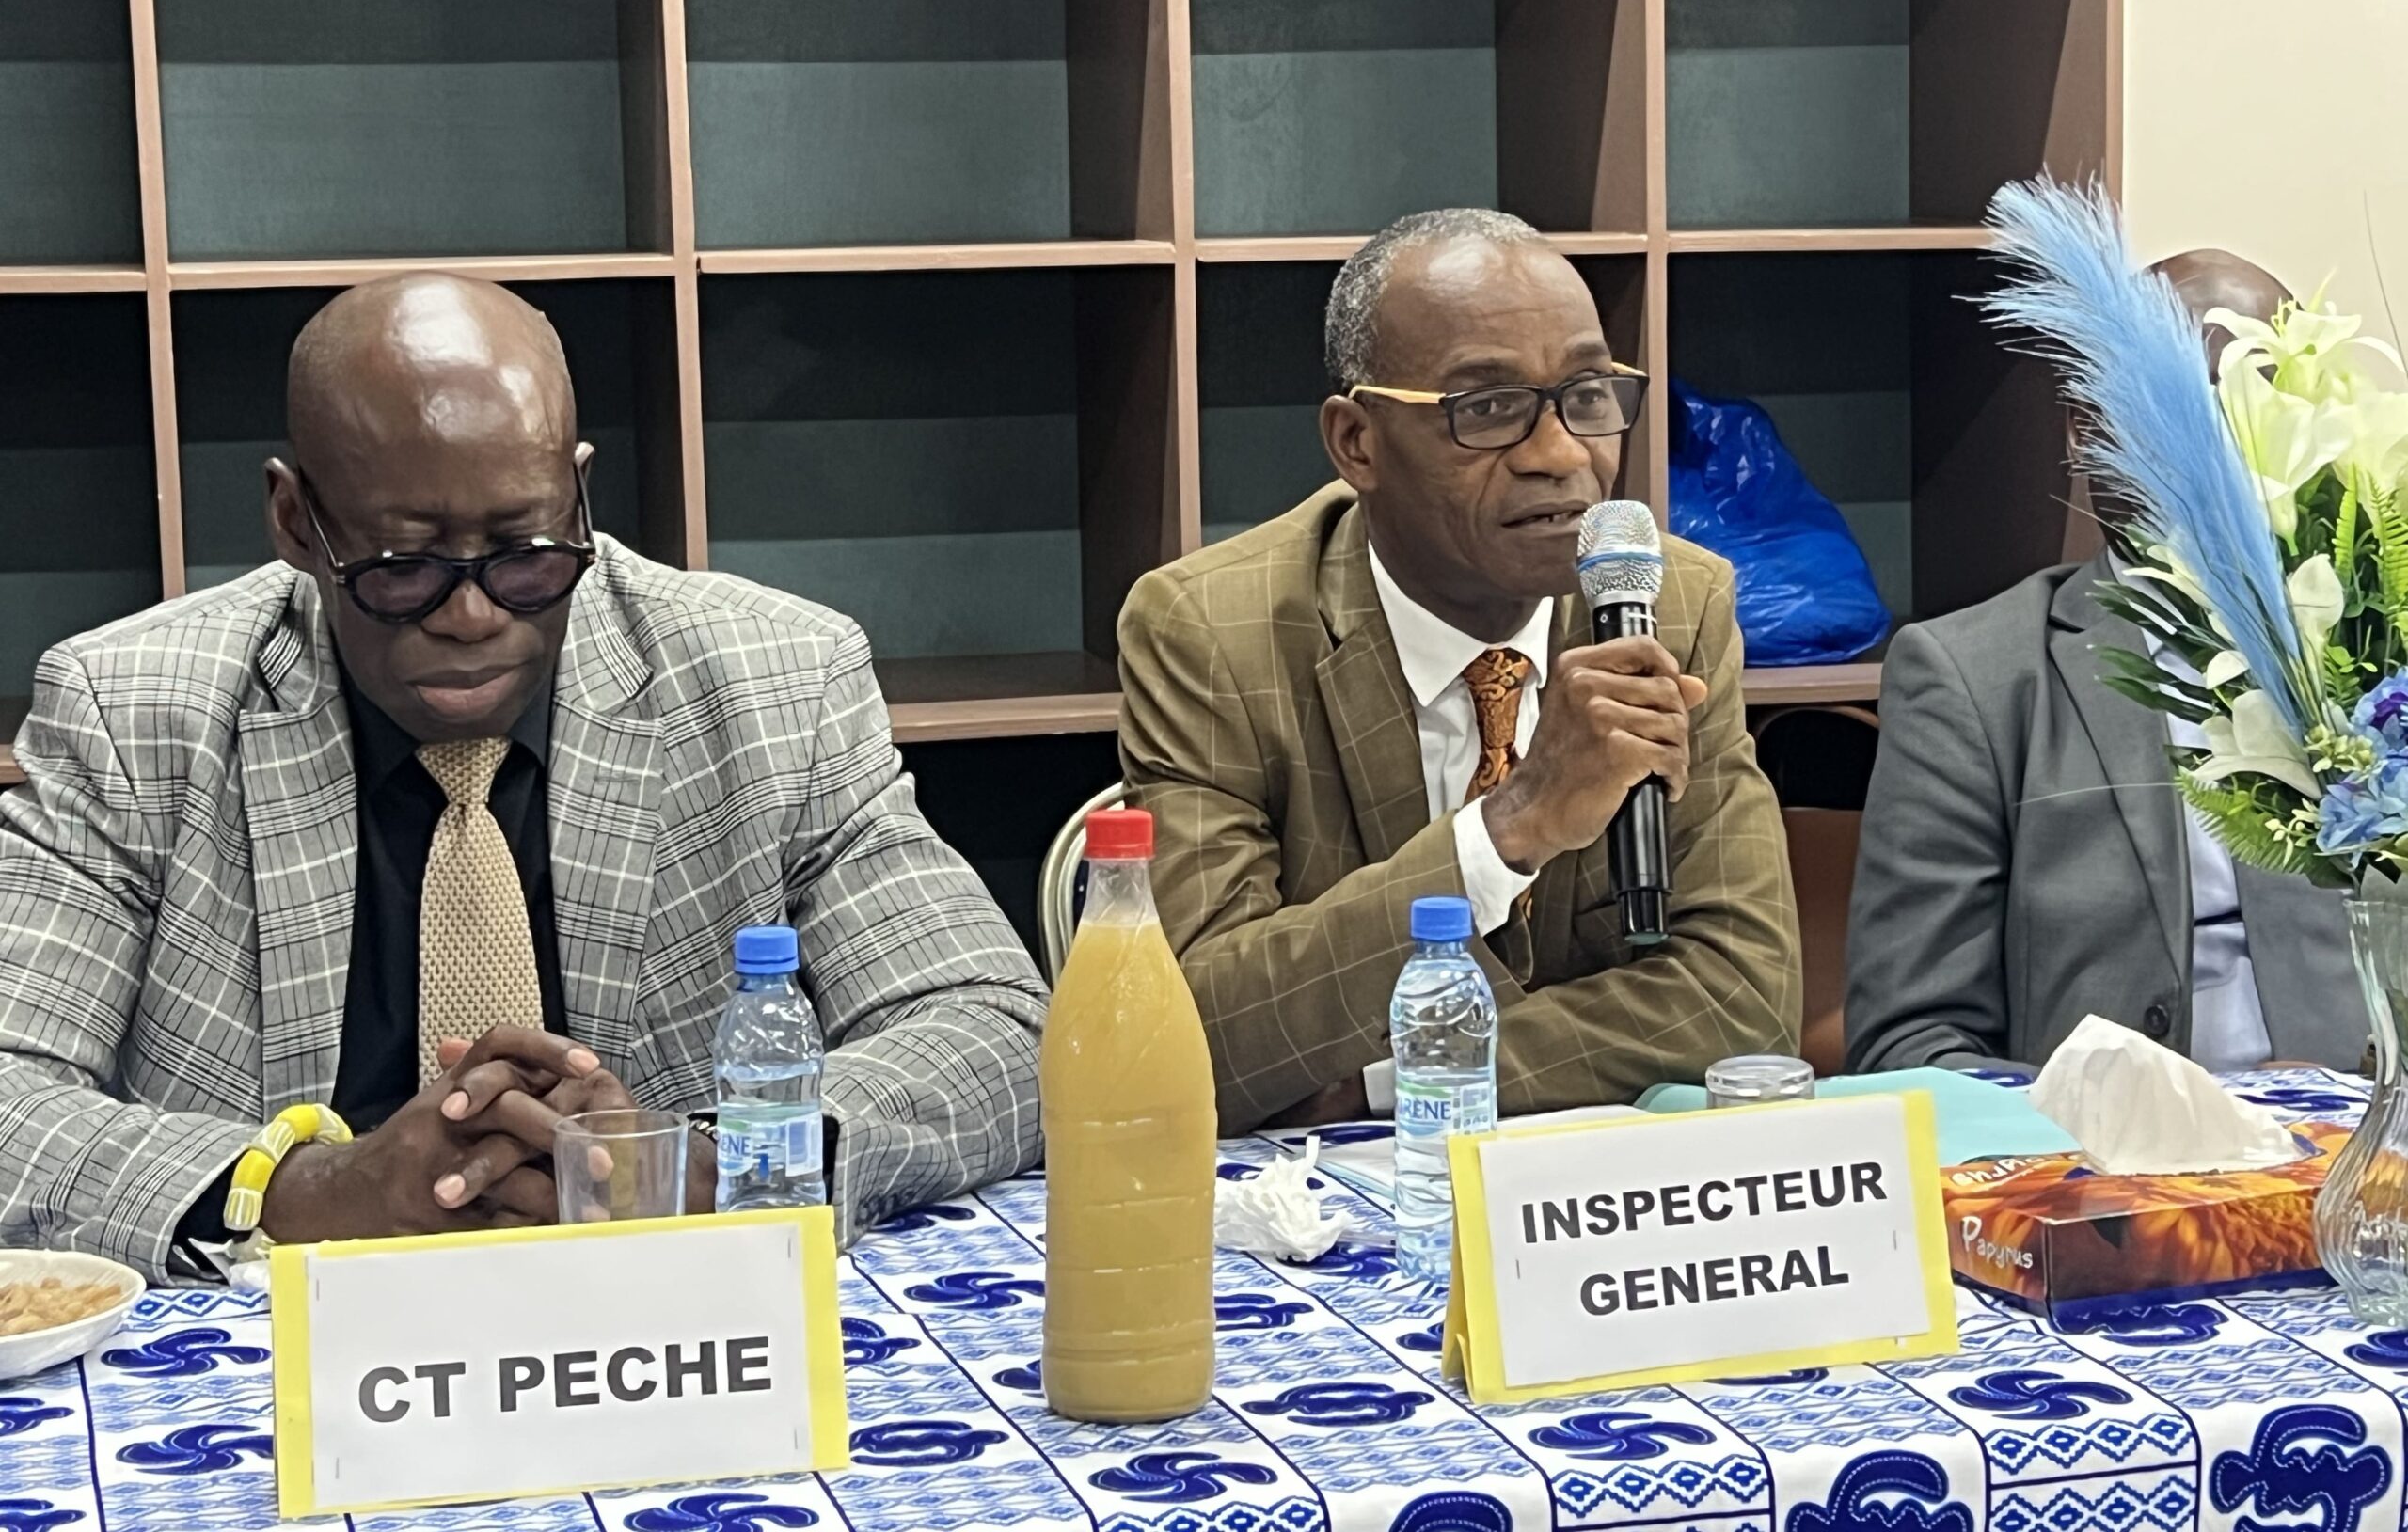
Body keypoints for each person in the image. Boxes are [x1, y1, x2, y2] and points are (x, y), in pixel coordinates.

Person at [0, 274, 1047, 1280]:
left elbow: (994, 1031)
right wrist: (313, 1191)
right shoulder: (133, 712)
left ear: (580, 494)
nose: (472, 616)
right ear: (295, 523)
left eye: (526, 554)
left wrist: (713, 1166)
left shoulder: (775, 681)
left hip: (660, 1323)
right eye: (402, 567)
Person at [1117, 209, 1801, 1135]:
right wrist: (1509, 827)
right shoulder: (1211, 633)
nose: (1561, 455)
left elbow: (1741, 998)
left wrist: (1399, 1075)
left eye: (1587, 395)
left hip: (1571, 1184)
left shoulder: (1669, 605)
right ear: (1357, 443)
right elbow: (1196, 1033)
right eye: (1487, 409)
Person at [1846, 249, 2365, 1075]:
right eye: (2185, 407)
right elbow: (1911, 1045)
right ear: (2086, 427)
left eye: (2265, 407)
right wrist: (2141, 1121)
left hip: (2363, 1137)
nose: (2227, 448)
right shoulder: (1973, 679)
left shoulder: (2373, 646)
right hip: (2106, 1145)